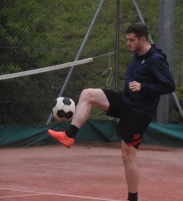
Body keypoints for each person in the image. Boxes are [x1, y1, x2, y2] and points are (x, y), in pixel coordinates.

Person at [47, 22, 175, 201]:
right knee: (88, 94)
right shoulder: (138, 54)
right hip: (125, 100)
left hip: (138, 112)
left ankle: (132, 198)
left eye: (131, 40)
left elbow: (169, 85)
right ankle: (69, 135)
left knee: (127, 155)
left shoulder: (155, 60)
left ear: (143, 39)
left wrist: (143, 86)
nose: (128, 43)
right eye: (127, 40)